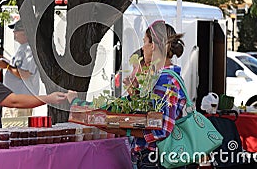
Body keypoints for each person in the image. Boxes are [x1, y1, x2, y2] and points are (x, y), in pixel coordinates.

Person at [68, 21, 187, 168]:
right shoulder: (157, 78)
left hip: (157, 160)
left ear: (153, 46)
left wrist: (125, 129)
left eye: (144, 42)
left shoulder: (165, 79)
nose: (142, 48)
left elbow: (162, 129)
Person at [2, 20, 40, 117]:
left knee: (17, 130)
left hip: (22, 101)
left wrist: (6, 66)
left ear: (25, 32)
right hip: (14, 100)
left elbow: (26, 74)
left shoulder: (30, 50)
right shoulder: (22, 48)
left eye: (17, 30)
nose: (14, 33)